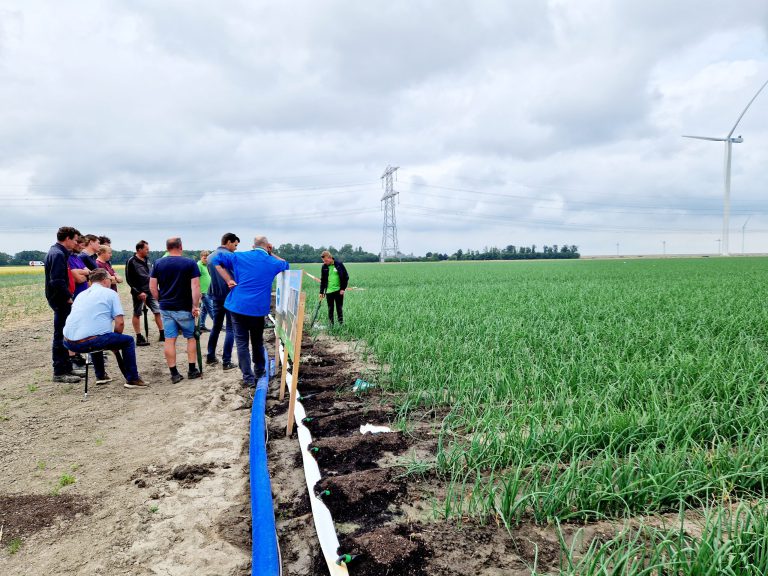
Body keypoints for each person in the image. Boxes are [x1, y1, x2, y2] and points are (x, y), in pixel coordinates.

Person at [212, 235, 288, 387]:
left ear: (253, 246)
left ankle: (247, 377)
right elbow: (285, 265)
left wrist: (228, 279)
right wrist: (270, 253)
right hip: (258, 308)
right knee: (257, 341)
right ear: (267, 246)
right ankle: (260, 370)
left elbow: (215, 260)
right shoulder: (271, 261)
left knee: (241, 342)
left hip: (238, 306)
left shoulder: (239, 256)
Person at [63, 268, 149, 389]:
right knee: (128, 341)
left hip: (68, 342)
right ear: (104, 280)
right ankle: (132, 378)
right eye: (110, 279)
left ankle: (101, 376)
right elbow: (120, 323)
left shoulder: (81, 295)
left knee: (97, 334)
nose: (111, 281)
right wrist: (115, 343)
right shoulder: (111, 294)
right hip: (88, 341)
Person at [150, 237, 202, 384]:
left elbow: (153, 287)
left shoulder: (158, 263)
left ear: (167, 248)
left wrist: (160, 299)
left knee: (170, 339)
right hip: (184, 306)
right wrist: (195, 306)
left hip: (166, 307)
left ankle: (174, 373)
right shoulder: (190, 263)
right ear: (181, 246)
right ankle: (192, 370)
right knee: (191, 337)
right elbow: (195, 287)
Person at [44, 226, 84, 383]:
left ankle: (67, 368)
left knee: (66, 333)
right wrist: (68, 297)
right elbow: (57, 280)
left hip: (60, 298)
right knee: (60, 335)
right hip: (60, 300)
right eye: (74, 240)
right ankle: (60, 372)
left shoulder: (58, 252)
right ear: (67, 238)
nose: (76, 243)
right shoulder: (58, 254)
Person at [205, 233, 239, 370]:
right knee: (231, 328)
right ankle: (226, 361)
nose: (235, 248)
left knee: (216, 326)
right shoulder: (230, 256)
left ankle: (210, 356)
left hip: (215, 295)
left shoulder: (210, 256)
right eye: (235, 245)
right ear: (228, 242)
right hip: (230, 295)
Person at [125, 240, 165, 346]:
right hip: (139, 292)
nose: (148, 251)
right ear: (139, 249)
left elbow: (151, 275)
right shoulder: (131, 261)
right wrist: (138, 292)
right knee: (137, 313)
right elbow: (129, 279)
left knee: (157, 311)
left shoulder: (148, 260)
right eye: (146, 249)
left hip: (150, 290)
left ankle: (162, 333)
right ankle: (139, 337)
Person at [319, 250, 349, 326]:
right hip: (329, 291)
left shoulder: (339, 265)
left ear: (330, 257)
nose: (324, 262)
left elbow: (346, 277)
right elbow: (323, 280)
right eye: (323, 261)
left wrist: (343, 288)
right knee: (330, 309)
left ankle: (341, 325)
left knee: (339, 308)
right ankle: (331, 325)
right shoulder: (324, 267)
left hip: (339, 291)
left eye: (325, 260)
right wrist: (321, 292)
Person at [197, 250, 213, 332]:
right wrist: (198, 291)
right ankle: (219, 324)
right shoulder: (199, 265)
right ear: (201, 257)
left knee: (204, 310)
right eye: (204, 258)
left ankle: (201, 325)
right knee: (211, 308)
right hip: (203, 291)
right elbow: (196, 279)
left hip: (208, 290)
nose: (206, 259)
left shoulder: (206, 266)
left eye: (207, 258)